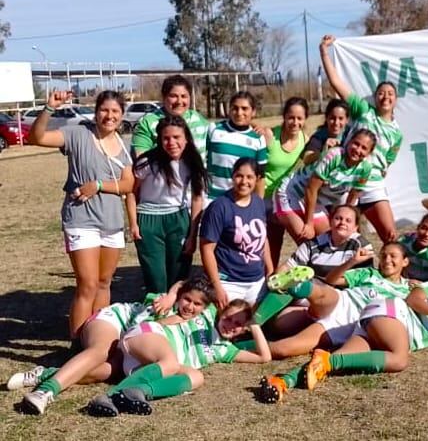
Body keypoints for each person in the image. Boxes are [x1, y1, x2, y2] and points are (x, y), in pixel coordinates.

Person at [256, 274, 428, 401]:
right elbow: (413, 300)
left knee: (328, 366)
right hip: (390, 313)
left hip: (378, 328)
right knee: (399, 360)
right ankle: (303, 290)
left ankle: (283, 381)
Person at [29, 90, 134, 341]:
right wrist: (49, 108)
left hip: (111, 222)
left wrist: (98, 185)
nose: (109, 116)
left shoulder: (122, 144)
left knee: (104, 283)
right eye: (104, 110)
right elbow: (37, 137)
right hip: (81, 220)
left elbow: (129, 184)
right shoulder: (78, 133)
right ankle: (77, 344)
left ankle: (100, 340)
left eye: (115, 112)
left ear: (122, 115)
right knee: (86, 285)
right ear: (96, 111)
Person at [11, 279, 198, 415]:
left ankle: (47, 373)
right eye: (187, 299)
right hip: (114, 321)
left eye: (197, 304)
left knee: (109, 371)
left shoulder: (196, 323)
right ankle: (45, 391)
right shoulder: (164, 302)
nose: (189, 306)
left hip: (127, 344)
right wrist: (172, 295)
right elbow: (183, 283)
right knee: (101, 351)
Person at [86, 298, 271, 416]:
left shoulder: (226, 350)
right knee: (170, 363)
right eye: (228, 318)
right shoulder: (206, 314)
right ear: (221, 313)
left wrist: (254, 325)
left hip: (156, 367)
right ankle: (111, 396)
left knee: (197, 376)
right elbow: (188, 287)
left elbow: (264, 357)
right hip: (150, 343)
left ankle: (139, 391)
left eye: (238, 324)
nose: (231, 325)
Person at [259, 242, 412, 359]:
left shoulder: (408, 290)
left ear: (405, 261)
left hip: (349, 322)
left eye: (393, 256)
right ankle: (299, 286)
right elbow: (332, 279)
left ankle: (241, 349)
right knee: (326, 294)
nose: (387, 260)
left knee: (285, 349)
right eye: (383, 255)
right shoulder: (369, 273)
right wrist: (352, 261)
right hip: (342, 302)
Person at [320, 34, 403, 242]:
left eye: (390, 94)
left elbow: (388, 161)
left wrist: (380, 168)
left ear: (396, 100)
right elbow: (336, 82)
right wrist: (324, 52)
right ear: (375, 97)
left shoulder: (397, 133)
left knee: (391, 236)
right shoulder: (363, 110)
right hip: (347, 181)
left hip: (372, 185)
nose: (385, 96)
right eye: (381, 93)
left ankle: (392, 274)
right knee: (341, 239)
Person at [251, 205, 374, 336]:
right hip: (307, 297)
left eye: (348, 220)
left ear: (355, 227)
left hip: (337, 300)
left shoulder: (361, 245)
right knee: (279, 322)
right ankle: (254, 324)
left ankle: (256, 325)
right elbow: (288, 266)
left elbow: (363, 280)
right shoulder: (313, 244)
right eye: (338, 218)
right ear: (330, 221)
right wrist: (279, 275)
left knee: (283, 319)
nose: (342, 223)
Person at [126, 116, 207, 293]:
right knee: (156, 280)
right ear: (159, 140)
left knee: (178, 278)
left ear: (186, 138)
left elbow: (196, 198)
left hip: (178, 220)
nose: (172, 142)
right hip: (149, 220)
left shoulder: (192, 161)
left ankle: (177, 316)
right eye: (166, 138)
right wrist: (133, 224)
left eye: (176, 137)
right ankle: (155, 316)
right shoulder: (148, 162)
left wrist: (193, 234)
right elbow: (131, 192)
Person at [274, 130, 376, 243]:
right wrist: (309, 223)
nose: (357, 150)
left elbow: (352, 198)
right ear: (349, 141)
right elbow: (311, 188)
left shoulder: (366, 168)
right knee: (306, 240)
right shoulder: (334, 156)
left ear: (369, 153)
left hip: (315, 201)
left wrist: (348, 224)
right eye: (356, 143)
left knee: (331, 241)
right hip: (292, 192)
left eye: (364, 148)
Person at [200, 157, 273, 306]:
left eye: (249, 177)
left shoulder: (259, 203)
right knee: (233, 323)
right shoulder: (219, 207)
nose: (244, 181)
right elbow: (206, 249)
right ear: (232, 176)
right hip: (229, 282)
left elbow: (262, 239)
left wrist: (270, 270)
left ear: (257, 179)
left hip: (256, 281)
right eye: (239, 176)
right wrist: (217, 286)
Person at [262, 96, 309, 267]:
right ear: (284, 116)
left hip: (283, 198)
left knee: (280, 240)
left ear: (305, 119)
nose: (295, 122)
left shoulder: (306, 139)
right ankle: (266, 275)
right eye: (291, 117)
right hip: (263, 197)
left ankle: (279, 274)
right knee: (263, 243)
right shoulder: (269, 135)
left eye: (299, 118)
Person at [206, 91, 268, 201]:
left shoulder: (258, 139)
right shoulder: (213, 129)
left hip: (240, 202)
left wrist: (258, 206)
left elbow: (260, 178)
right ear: (229, 110)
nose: (239, 113)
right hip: (212, 199)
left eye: (244, 108)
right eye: (235, 108)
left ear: (253, 112)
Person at [131, 74, 210, 161]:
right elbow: (141, 161)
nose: (179, 101)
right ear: (164, 97)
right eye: (173, 96)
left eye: (184, 96)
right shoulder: (147, 123)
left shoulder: (199, 120)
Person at [301, 99, 350, 166]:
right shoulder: (319, 136)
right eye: (332, 118)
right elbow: (306, 158)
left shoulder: (351, 135)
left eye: (341, 118)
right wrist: (323, 152)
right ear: (326, 118)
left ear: (347, 120)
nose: (336, 123)